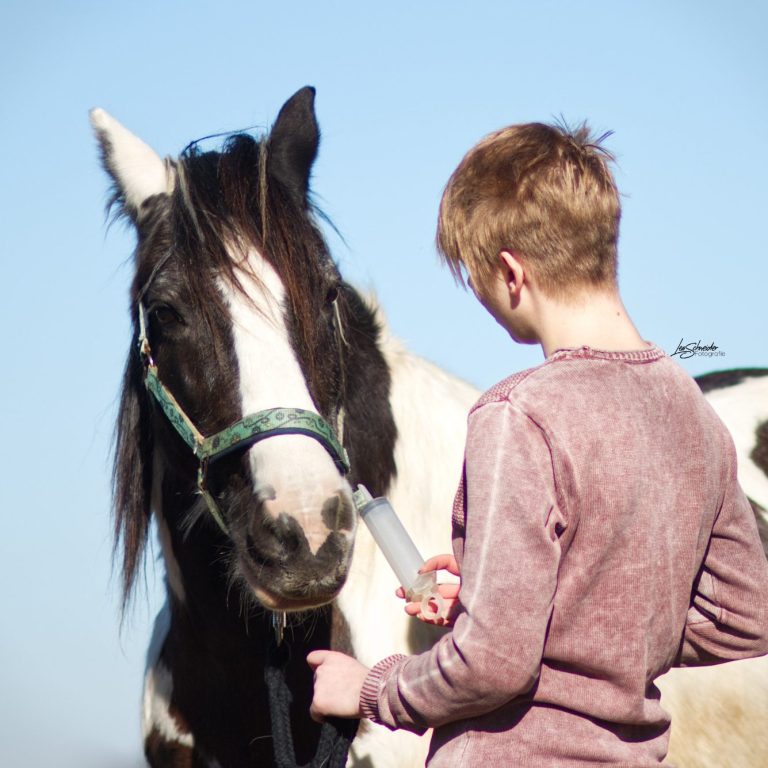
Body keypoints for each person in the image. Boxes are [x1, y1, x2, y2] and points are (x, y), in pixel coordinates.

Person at [307, 121, 768, 765]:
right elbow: (748, 614)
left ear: (511, 272)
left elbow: (490, 664)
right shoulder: (689, 409)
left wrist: (373, 687)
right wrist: (532, 598)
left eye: (476, 281)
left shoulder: (518, 415)